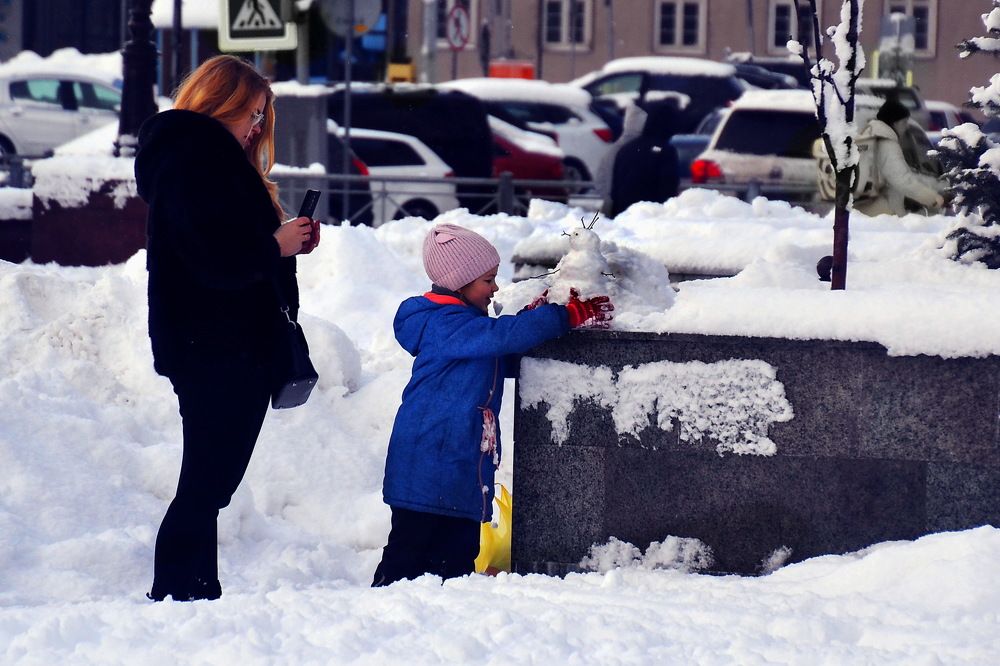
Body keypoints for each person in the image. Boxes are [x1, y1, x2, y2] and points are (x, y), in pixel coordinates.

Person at [134, 55, 319, 602]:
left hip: (227, 342)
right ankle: (177, 590)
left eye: (262, 115)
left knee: (211, 481)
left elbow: (227, 250)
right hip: (212, 344)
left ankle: (194, 588)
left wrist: (285, 245)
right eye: (251, 112)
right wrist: (273, 247)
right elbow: (209, 259)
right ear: (221, 103)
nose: (257, 126)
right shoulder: (192, 159)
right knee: (207, 481)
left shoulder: (209, 158)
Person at [371, 224, 613, 586]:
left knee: (455, 561)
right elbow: (500, 337)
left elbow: (500, 354)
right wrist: (563, 316)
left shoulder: (468, 329)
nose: (495, 288)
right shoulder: (442, 323)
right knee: (407, 556)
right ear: (459, 283)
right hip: (428, 465)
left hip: (454, 466)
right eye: (488, 280)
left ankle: (440, 611)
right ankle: (380, 607)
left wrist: (534, 317)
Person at [854, 98, 945, 217]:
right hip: (883, 214)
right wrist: (934, 199)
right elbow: (902, 180)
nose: (906, 127)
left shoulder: (870, 137)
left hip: (865, 209)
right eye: (904, 122)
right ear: (895, 122)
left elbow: (906, 175)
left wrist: (936, 188)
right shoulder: (886, 143)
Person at [597, 101, 681, 217]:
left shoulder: (625, 149)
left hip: (622, 214)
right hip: (651, 215)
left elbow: (611, 185)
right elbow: (668, 187)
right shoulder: (666, 151)